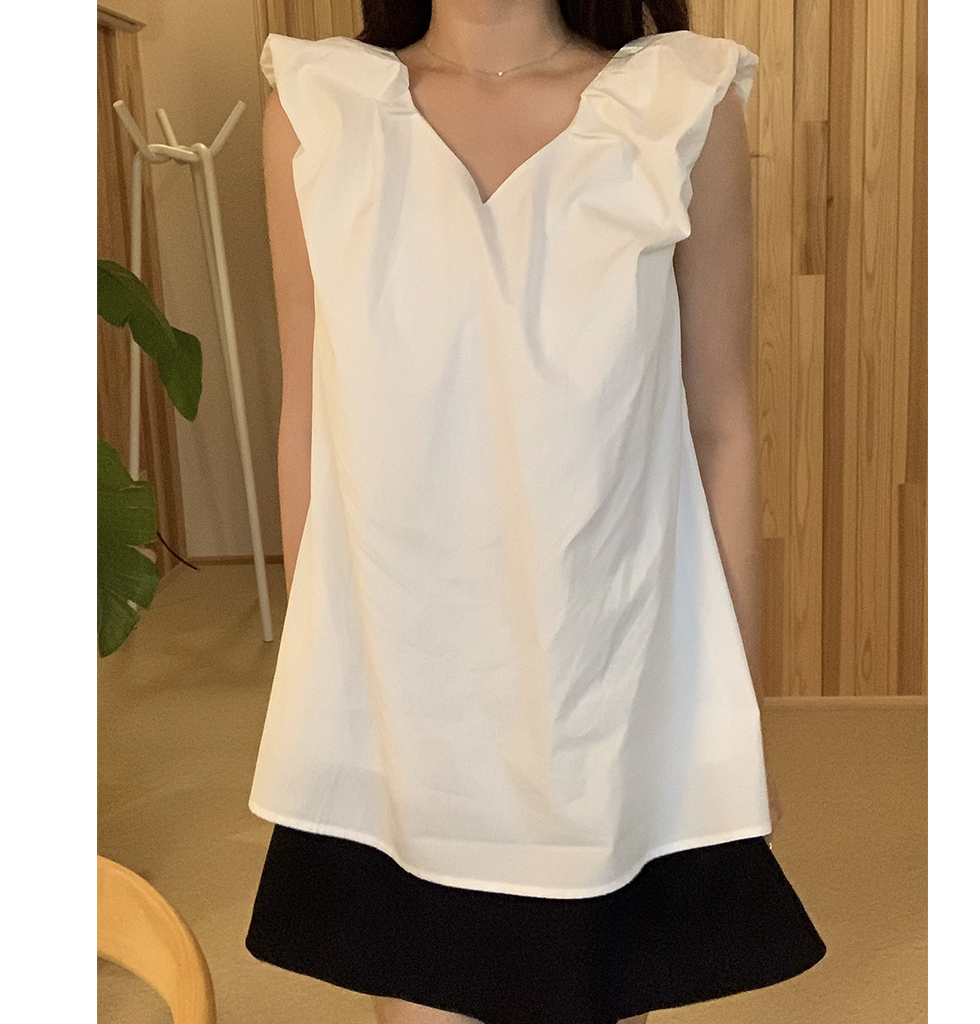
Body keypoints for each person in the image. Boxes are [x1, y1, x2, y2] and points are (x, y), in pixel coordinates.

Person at [245, 2, 826, 1022]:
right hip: (407, 708)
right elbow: (308, 420)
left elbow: (721, 428)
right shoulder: (317, 111)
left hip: (603, 696)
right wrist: (324, 700)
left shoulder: (678, 107)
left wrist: (732, 724)